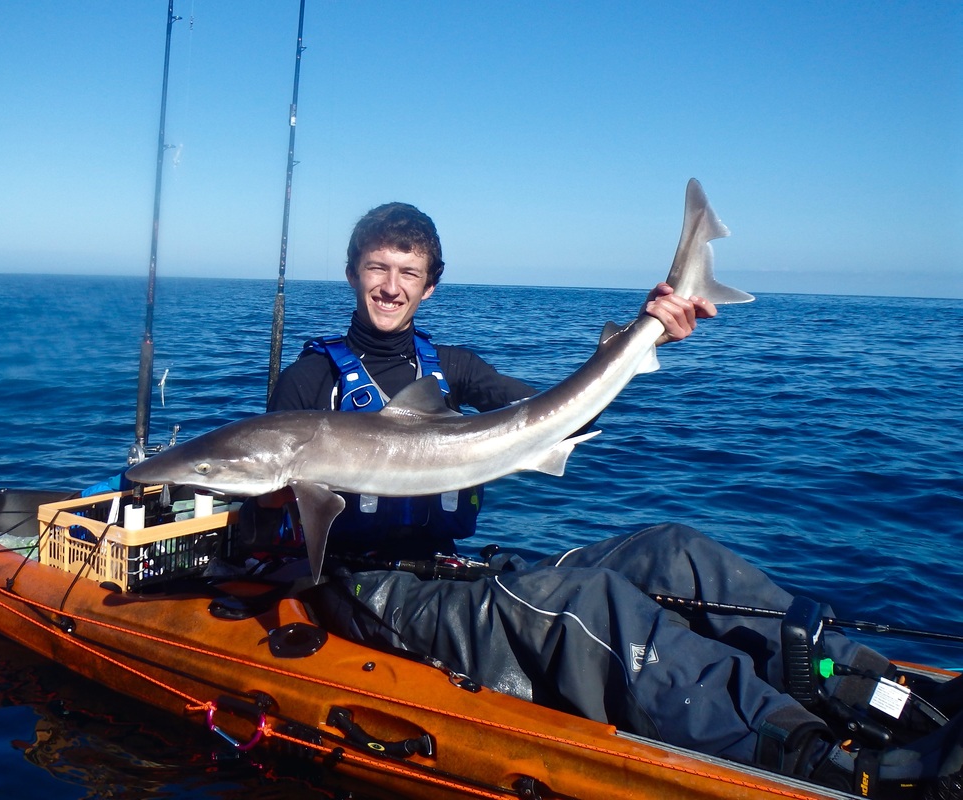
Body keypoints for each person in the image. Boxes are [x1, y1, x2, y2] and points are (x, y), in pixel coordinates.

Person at [263, 202, 963, 798]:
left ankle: (889, 694)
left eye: (407, 271)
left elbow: (569, 417)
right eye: (377, 268)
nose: (390, 286)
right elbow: (272, 516)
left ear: (429, 287)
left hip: (448, 566)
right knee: (585, 601)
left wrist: (647, 328)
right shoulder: (305, 385)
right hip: (369, 592)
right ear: (354, 273)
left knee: (672, 551)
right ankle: (818, 759)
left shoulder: (455, 370)